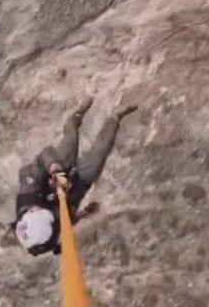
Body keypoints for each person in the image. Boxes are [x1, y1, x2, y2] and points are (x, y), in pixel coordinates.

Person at [11, 97, 137, 256]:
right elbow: (66, 223)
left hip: (55, 169)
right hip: (72, 193)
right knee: (99, 154)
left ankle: (77, 115)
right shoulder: (47, 240)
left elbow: (45, 154)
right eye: (36, 211)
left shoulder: (28, 194)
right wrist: (83, 213)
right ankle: (115, 117)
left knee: (71, 139)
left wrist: (55, 169)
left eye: (31, 211)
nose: (33, 209)